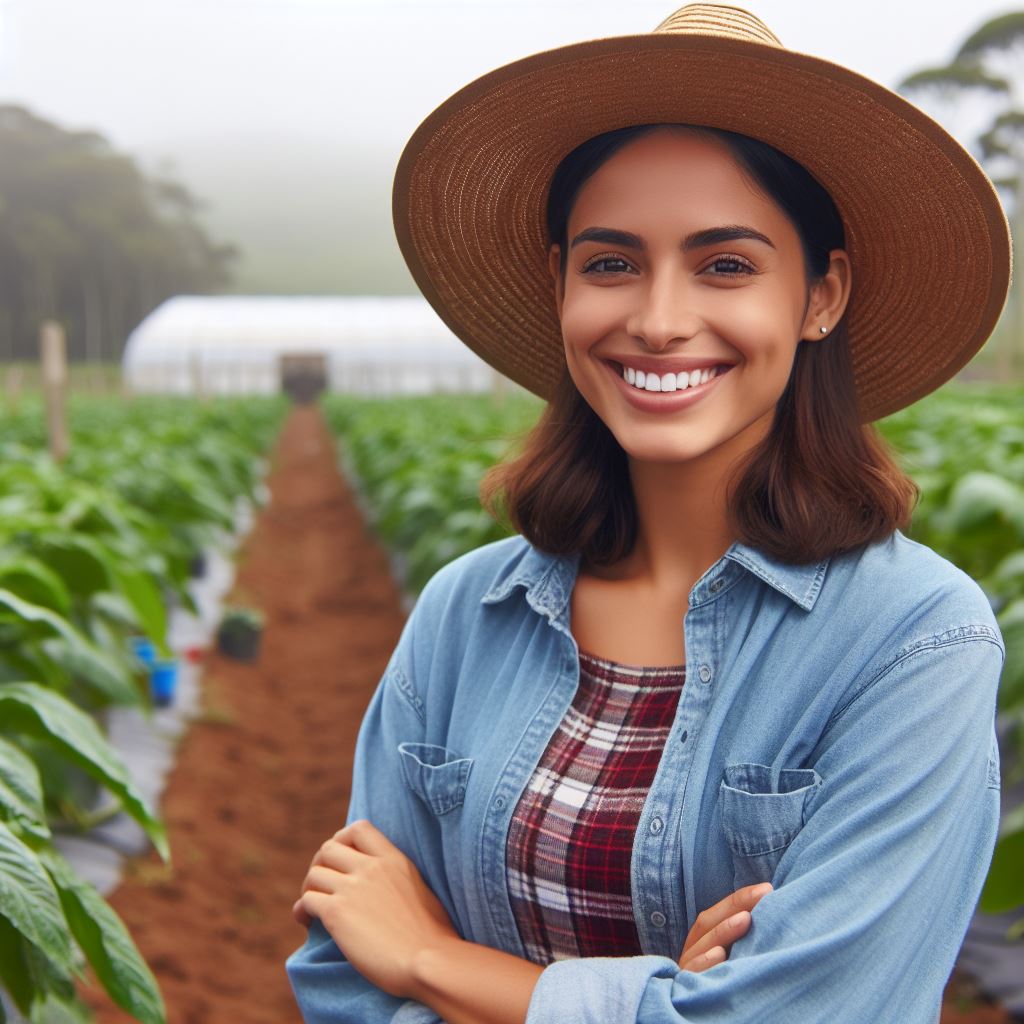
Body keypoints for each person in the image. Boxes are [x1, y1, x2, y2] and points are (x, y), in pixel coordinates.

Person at [285, 5, 1012, 1022]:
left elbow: (809, 1013)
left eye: (725, 264)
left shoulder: (914, 638)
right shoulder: (465, 612)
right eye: (611, 262)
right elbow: (338, 969)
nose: (658, 320)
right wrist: (671, 992)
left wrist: (436, 962)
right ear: (559, 286)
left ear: (820, 295)